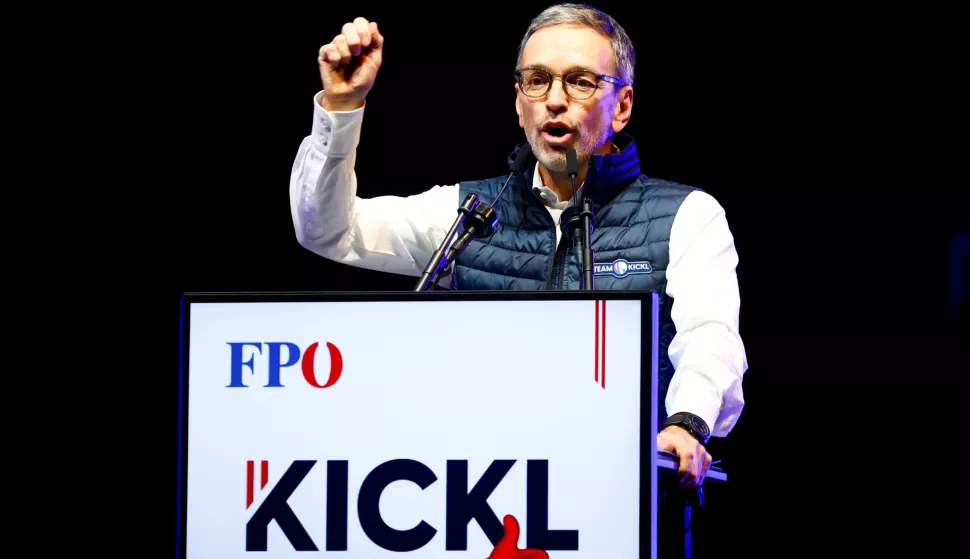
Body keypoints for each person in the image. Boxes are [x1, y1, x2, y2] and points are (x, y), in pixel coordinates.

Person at [290, 3, 747, 556]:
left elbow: (711, 337)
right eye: (537, 80)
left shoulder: (687, 214)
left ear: (622, 105)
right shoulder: (465, 211)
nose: (555, 99)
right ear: (518, 101)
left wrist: (686, 425)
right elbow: (330, 230)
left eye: (580, 82)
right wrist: (341, 106)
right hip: (480, 515)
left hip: (628, 507)